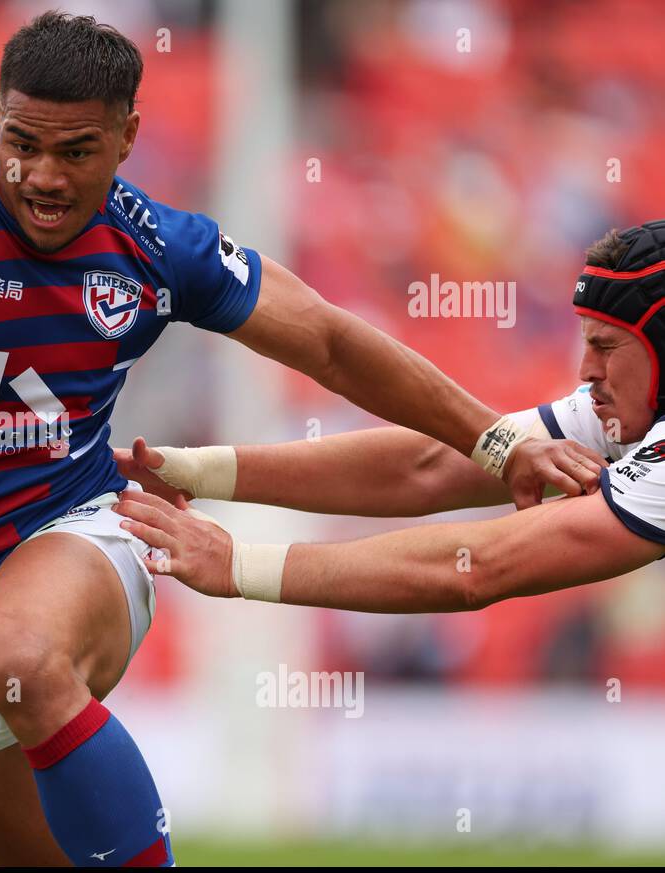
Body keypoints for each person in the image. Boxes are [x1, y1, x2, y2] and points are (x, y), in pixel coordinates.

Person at [0, 12, 600, 867]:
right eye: (22, 143)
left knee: (23, 660)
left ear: (126, 137)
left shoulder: (158, 247)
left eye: (75, 151)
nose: (40, 174)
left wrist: (495, 441)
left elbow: (327, 339)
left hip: (73, 535)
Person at [115, 222, 665, 615]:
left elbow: (476, 569)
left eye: (607, 346)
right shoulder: (627, 407)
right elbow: (427, 466)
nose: (586, 368)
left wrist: (238, 565)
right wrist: (193, 471)